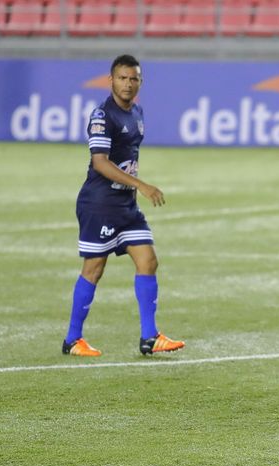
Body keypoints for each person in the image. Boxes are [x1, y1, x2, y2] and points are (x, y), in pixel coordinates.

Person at [62, 54, 185, 357]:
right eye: (122, 78)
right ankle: (72, 339)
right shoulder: (103, 116)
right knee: (94, 268)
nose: (128, 84)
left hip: (125, 206)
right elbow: (100, 163)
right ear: (111, 80)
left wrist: (131, 189)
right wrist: (140, 185)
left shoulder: (137, 112)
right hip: (100, 204)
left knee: (148, 261)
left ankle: (149, 337)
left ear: (140, 82)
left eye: (134, 79)